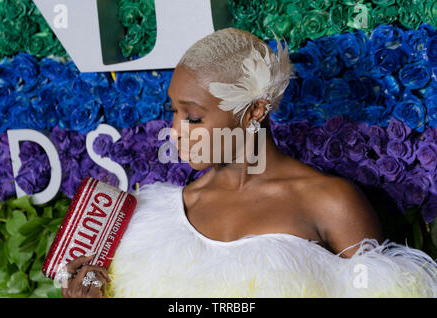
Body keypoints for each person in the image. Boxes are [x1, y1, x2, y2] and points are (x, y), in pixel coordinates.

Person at [61, 27, 437, 298]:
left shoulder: (330, 203)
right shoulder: (162, 215)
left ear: (255, 110)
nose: (175, 131)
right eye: (172, 112)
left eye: (192, 117)